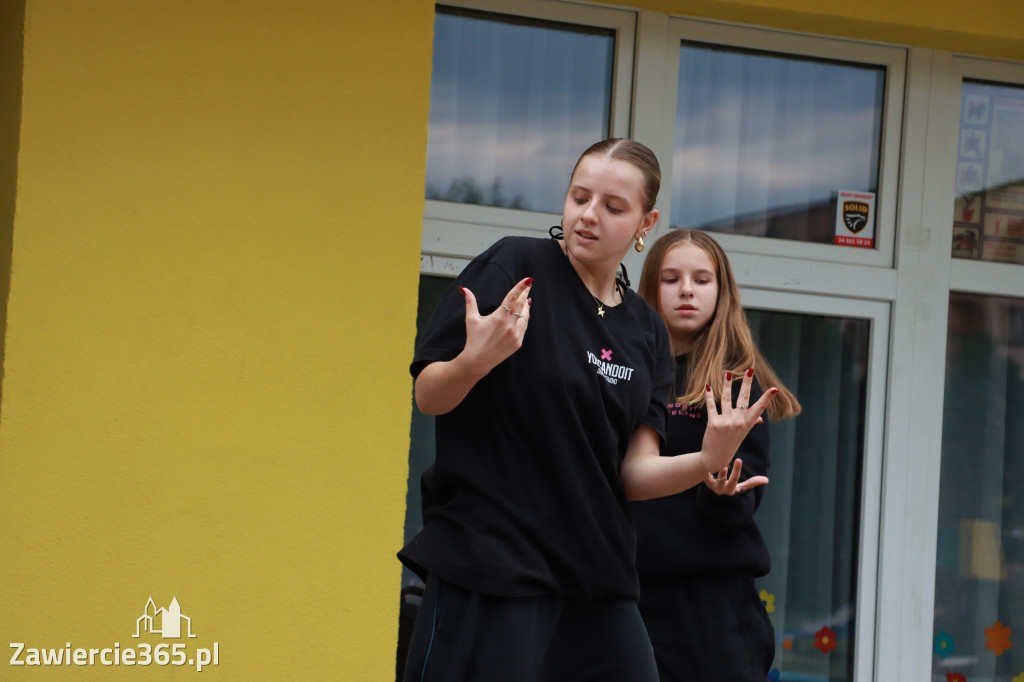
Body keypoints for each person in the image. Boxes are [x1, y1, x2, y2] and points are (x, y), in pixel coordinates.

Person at [398, 138, 777, 682]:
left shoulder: (645, 328)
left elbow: (631, 473)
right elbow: (430, 395)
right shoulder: (517, 266)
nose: (588, 216)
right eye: (579, 197)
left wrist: (704, 460)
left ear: (646, 222)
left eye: (613, 207)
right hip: (496, 562)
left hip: (597, 576)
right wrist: (473, 361)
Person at [631, 229, 802, 682]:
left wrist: (722, 490)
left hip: (710, 609)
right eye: (671, 278)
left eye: (702, 280)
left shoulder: (738, 387)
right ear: (650, 287)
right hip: (623, 595)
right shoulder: (622, 373)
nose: (687, 289)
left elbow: (738, 509)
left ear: (721, 292)